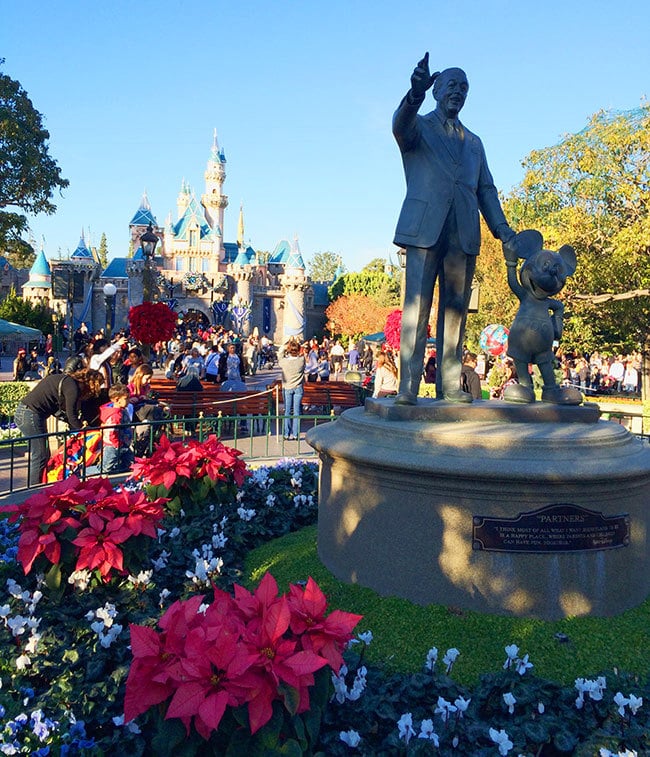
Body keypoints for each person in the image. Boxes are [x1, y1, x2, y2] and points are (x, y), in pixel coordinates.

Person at [392, 54, 515, 405]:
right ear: (436, 92)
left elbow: (486, 189)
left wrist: (502, 229)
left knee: (456, 310)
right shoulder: (419, 128)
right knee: (416, 308)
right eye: (450, 85)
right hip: (424, 229)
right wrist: (414, 93)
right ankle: (408, 387)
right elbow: (399, 125)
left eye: (463, 87)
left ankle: (449, 385)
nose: (457, 92)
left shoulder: (475, 142)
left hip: (463, 232)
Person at [14, 368, 104, 485]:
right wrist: (84, 430)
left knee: (43, 454)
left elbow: (63, 413)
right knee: (40, 455)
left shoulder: (67, 381)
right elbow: (72, 417)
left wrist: (78, 425)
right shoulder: (72, 387)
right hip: (30, 415)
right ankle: (34, 490)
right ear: (92, 383)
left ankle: (40, 484)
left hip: (29, 413)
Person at [98, 384, 134, 474]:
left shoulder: (123, 410)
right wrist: (116, 443)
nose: (129, 401)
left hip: (124, 443)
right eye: (126, 398)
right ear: (117, 400)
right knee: (105, 468)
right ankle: (83, 473)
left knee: (129, 464)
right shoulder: (115, 416)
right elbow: (111, 431)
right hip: (114, 445)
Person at [279, 340, 305, 440]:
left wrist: (285, 346)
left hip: (287, 387)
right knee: (297, 411)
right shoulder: (301, 360)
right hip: (298, 387)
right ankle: (295, 434)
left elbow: (280, 354)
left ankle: (286, 433)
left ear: (289, 350)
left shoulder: (284, 362)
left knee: (287, 411)